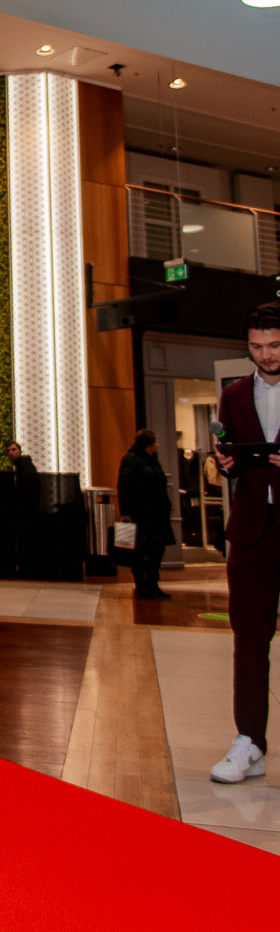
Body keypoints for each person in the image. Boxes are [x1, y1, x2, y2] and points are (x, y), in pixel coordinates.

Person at [210, 302, 280, 783]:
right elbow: (228, 455)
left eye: (274, 345)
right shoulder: (233, 395)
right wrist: (225, 463)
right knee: (250, 640)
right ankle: (249, 741)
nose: (266, 355)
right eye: (257, 346)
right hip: (253, 530)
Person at [116, 429, 174, 601]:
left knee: (157, 548)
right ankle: (142, 585)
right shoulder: (131, 459)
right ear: (148, 444)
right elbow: (123, 486)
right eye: (155, 442)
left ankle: (153, 583)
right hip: (140, 513)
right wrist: (125, 512)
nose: (157, 445)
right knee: (140, 550)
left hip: (157, 513)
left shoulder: (152, 460)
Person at [7, 439, 40, 578]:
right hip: (27, 508)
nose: (11, 453)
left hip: (26, 508)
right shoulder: (22, 465)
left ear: (19, 450)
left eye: (14, 450)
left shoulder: (23, 465)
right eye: (9, 451)